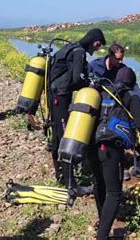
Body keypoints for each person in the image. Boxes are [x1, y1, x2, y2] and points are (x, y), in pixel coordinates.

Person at [88, 66, 140, 239]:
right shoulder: (130, 96)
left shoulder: (101, 90)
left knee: (99, 182)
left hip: (90, 146)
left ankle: (102, 218)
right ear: (132, 83)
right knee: (114, 193)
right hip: (110, 149)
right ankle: (102, 235)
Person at [47, 28, 106, 189]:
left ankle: (60, 176)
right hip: (60, 96)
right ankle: (71, 185)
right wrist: (91, 85)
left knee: (57, 135)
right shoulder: (79, 52)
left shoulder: (71, 47)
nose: (96, 48)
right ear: (94, 41)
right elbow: (76, 80)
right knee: (67, 137)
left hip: (54, 95)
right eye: (98, 44)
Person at [88, 42, 140, 113]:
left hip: (112, 107)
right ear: (110, 56)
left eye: (122, 59)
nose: (120, 61)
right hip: (94, 102)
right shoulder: (94, 65)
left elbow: (134, 86)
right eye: (118, 59)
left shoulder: (123, 70)